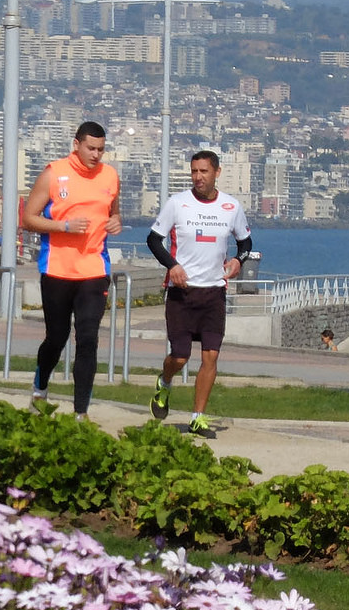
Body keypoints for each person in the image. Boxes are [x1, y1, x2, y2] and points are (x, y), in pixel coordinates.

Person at [145, 150, 253, 438]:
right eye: (194, 171)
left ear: (217, 172)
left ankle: (197, 417)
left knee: (211, 356)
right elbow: (154, 240)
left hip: (214, 292)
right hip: (182, 292)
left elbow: (245, 242)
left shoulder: (231, 206)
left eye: (204, 171)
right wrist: (172, 266)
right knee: (180, 357)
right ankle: (164, 383)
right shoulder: (177, 203)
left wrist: (238, 261)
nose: (198, 177)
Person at [21, 121, 124, 419]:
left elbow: (114, 212)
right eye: (90, 148)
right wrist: (64, 226)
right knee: (57, 337)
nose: (95, 155)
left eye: (101, 149)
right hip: (57, 269)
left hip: (94, 269)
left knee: (88, 338)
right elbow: (28, 219)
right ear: (76, 144)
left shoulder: (110, 175)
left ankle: (81, 413)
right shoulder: (54, 174)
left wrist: (116, 221)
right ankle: (40, 387)